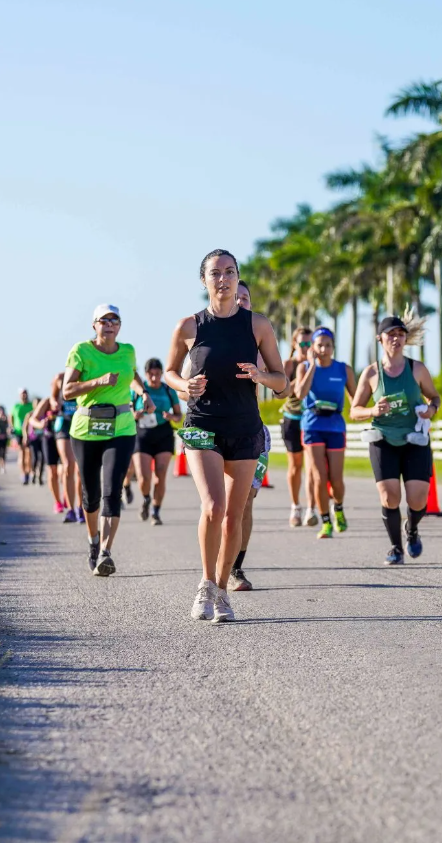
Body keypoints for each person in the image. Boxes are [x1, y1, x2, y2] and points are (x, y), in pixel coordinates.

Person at [163, 250, 286, 622]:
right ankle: (205, 583)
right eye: (215, 273)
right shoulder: (189, 326)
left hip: (244, 427)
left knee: (234, 516)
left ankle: (220, 590)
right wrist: (184, 385)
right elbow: (169, 372)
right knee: (214, 507)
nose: (223, 279)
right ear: (204, 280)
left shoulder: (257, 325)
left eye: (230, 272)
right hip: (202, 424)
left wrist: (260, 376)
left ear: (237, 277)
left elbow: (282, 381)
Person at [63, 304, 149, 576]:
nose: (109, 325)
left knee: (112, 491)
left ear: (120, 326)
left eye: (114, 320)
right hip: (86, 429)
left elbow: (132, 374)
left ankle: (105, 552)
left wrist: (143, 392)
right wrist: (98, 381)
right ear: (94, 325)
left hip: (120, 428)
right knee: (91, 495)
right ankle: (93, 541)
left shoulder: (128, 351)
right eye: (104, 321)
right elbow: (67, 390)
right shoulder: (81, 351)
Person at [350, 315, 442, 565]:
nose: (396, 338)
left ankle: (411, 529)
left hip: (415, 439)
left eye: (400, 334)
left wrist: (431, 409)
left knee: (418, 499)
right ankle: (396, 548)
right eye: (390, 334)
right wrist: (373, 410)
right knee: (389, 497)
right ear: (380, 339)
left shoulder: (417, 369)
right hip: (383, 439)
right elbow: (354, 410)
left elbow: (434, 397)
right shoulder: (371, 373)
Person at [292, 325, 356, 539]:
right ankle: (325, 521)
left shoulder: (343, 369)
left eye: (328, 345)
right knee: (319, 477)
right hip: (312, 425)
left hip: (335, 426)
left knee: (336, 478)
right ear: (313, 347)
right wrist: (312, 365)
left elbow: (356, 399)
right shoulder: (304, 367)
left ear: (333, 347)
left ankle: (338, 508)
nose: (324, 349)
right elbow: (300, 394)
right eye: (320, 345)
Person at [228, 279, 266, 592]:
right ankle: (215, 565)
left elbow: (283, 387)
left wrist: (261, 375)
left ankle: (235, 568)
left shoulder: (260, 343)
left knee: (246, 502)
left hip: (252, 432)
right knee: (220, 505)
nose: (240, 302)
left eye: (245, 298)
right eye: (236, 297)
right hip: (215, 432)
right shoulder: (207, 335)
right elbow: (184, 383)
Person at [132, 357, 182, 525]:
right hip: (142, 434)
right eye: (150, 374)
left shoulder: (168, 390)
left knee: (160, 476)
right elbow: (128, 412)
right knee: (143, 477)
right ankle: (146, 498)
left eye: (158, 374)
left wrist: (171, 416)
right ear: (145, 374)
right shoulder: (139, 390)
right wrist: (135, 415)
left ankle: (156, 511)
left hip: (163, 434)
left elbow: (178, 415)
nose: (154, 378)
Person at [278, 327, 317, 527]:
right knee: (295, 466)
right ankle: (295, 507)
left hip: (313, 420)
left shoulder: (317, 364)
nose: (306, 347)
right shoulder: (289, 364)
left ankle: (312, 509)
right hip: (292, 419)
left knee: (312, 467)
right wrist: (300, 379)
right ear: (294, 344)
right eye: (302, 343)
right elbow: (281, 392)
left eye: (310, 343)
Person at [30, 374, 68, 514]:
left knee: (64, 470)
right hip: (49, 438)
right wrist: (41, 424)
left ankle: (66, 497)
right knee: (52, 471)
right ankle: (57, 502)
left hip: (65, 438)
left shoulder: (69, 400)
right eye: (58, 384)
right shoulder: (47, 402)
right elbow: (32, 419)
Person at [53, 372, 83, 524]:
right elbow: (53, 398)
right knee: (68, 466)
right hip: (64, 428)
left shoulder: (83, 378)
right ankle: (70, 509)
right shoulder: (60, 378)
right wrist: (55, 403)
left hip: (80, 426)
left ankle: (80, 508)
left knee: (80, 470)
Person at [10, 389, 35, 484]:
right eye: (22, 394)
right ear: (19, 395)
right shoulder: (16, 406)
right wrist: (12, 426)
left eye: (25, 393)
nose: (24, 395)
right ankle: (23, 473)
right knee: (22, 453)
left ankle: (29, 471)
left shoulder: (31, 405)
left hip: (30, 432)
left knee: (29, 453)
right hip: (18, 432)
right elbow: (11, 417)